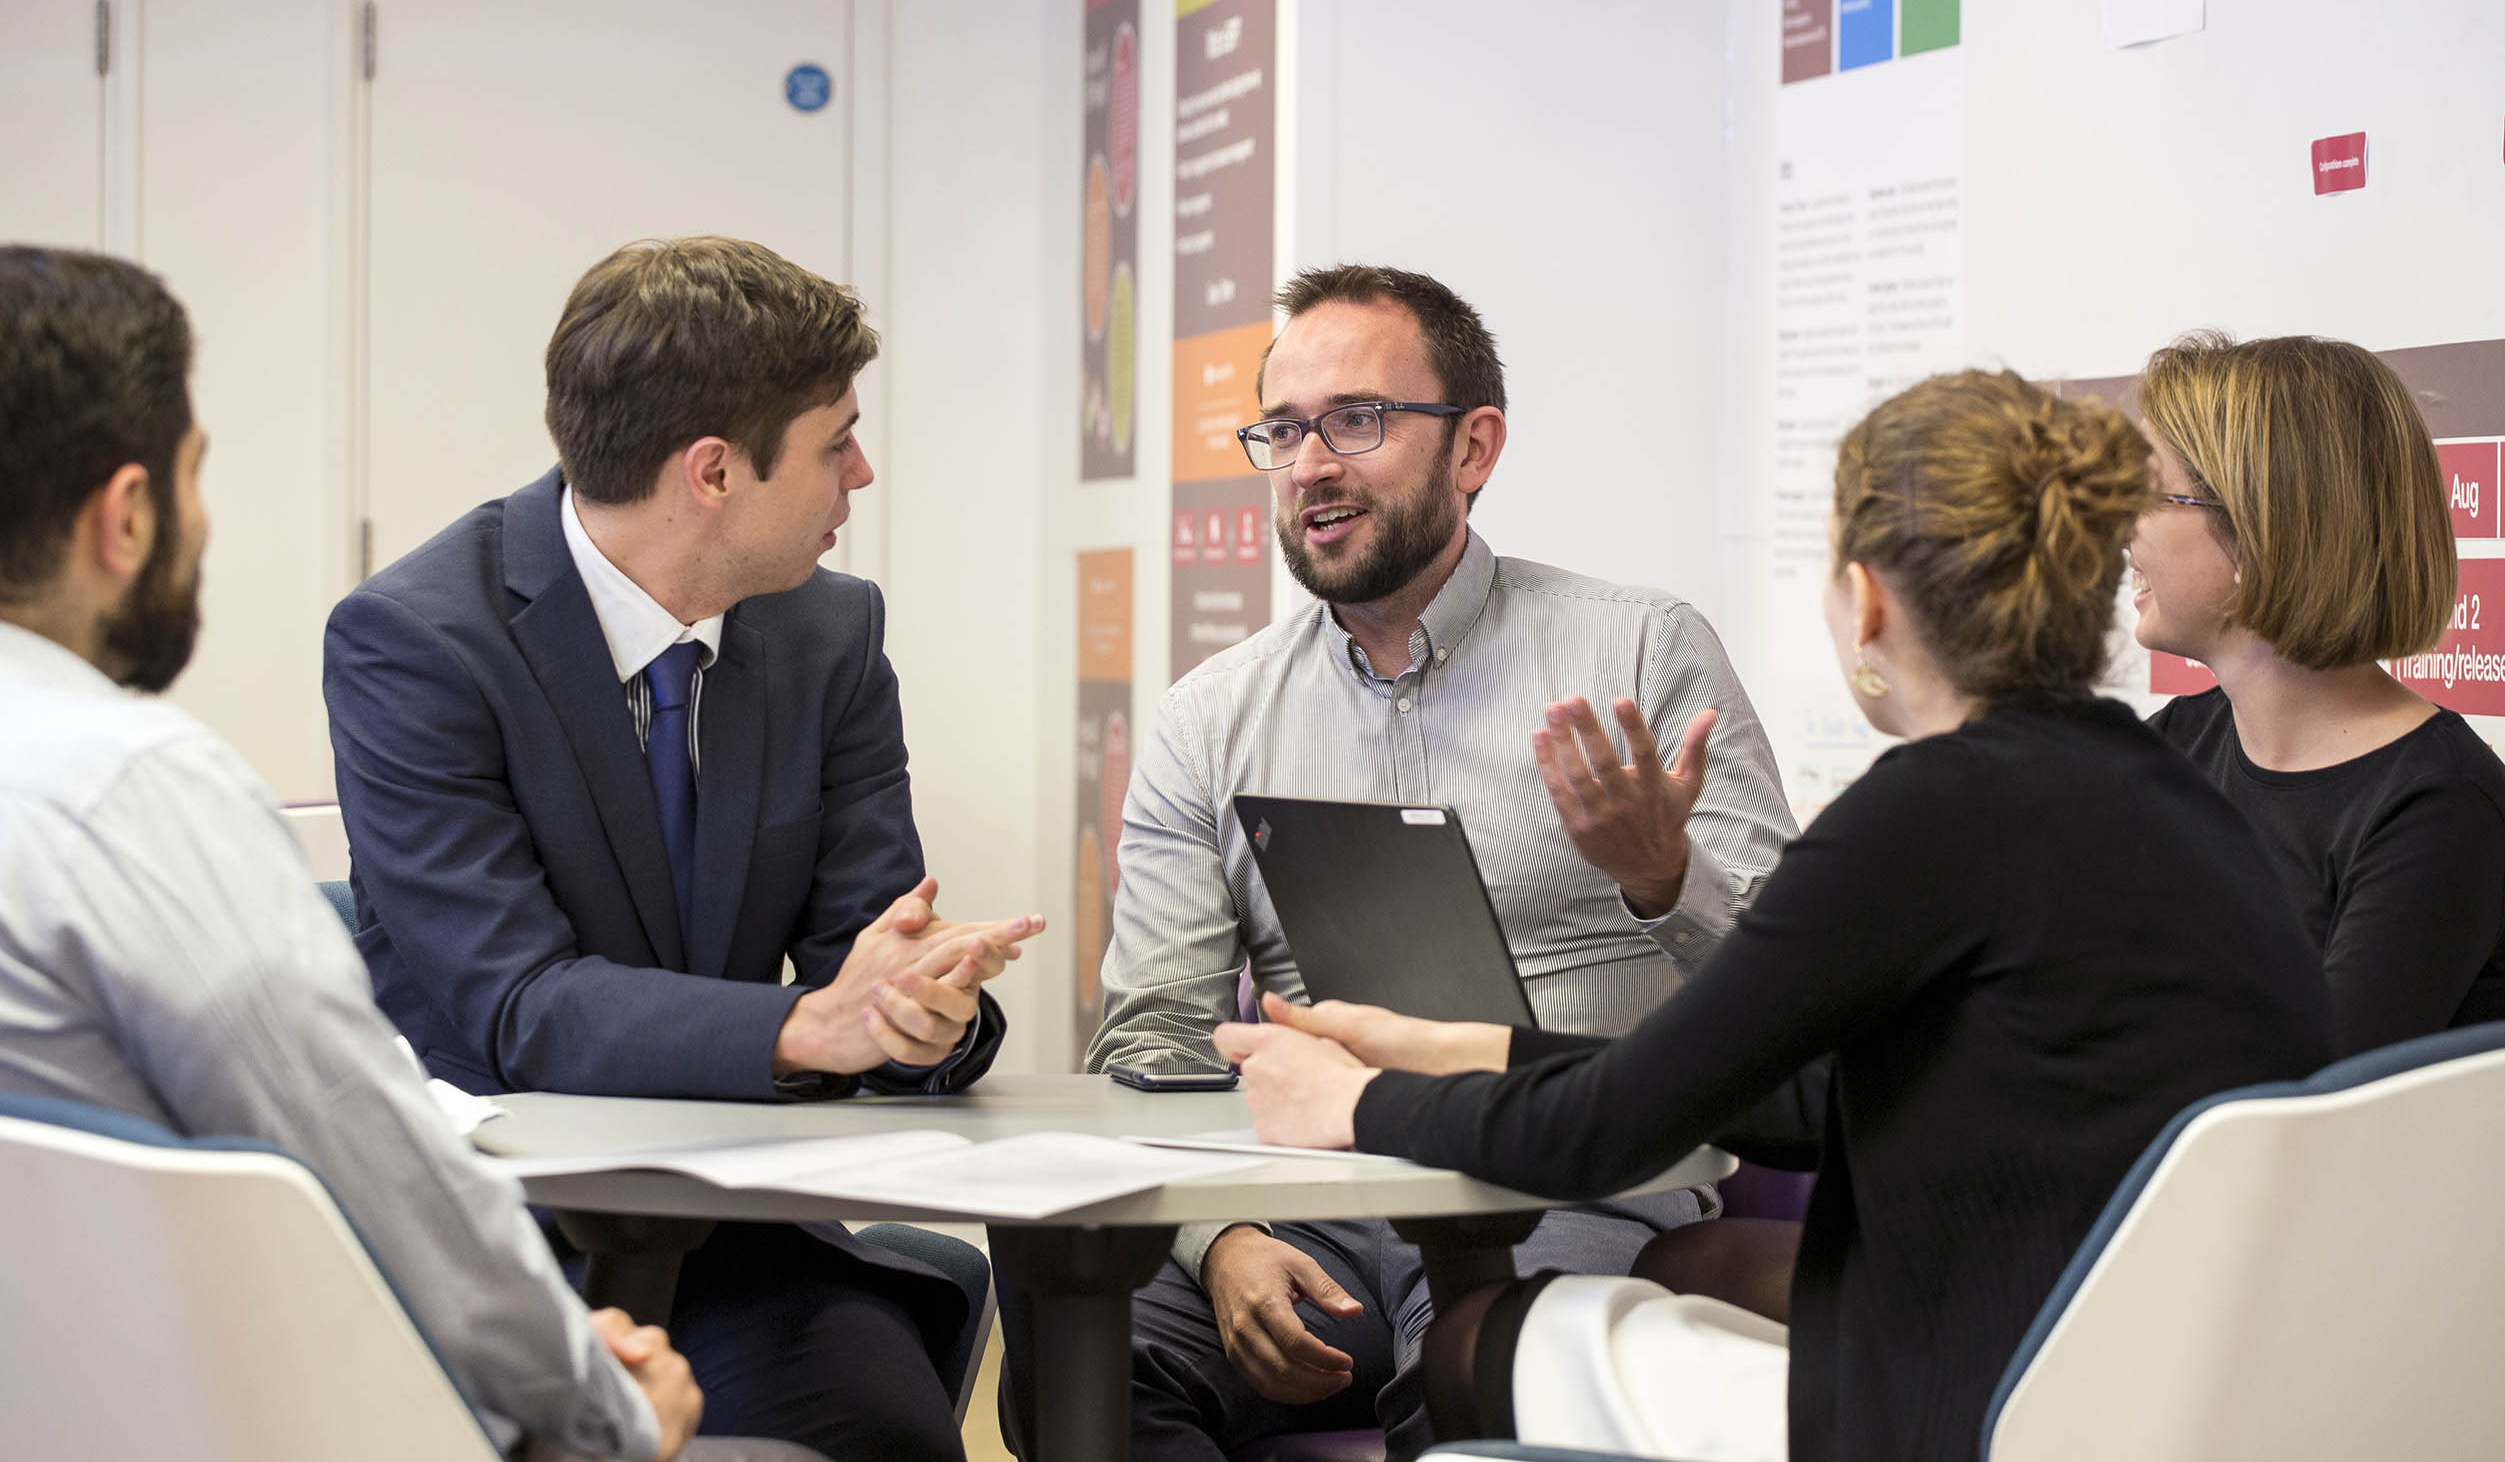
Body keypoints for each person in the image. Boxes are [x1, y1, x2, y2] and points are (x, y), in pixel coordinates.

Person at [1220, 370, 2335, 1462]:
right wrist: (1463, 1048)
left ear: (1869, 599)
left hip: (1959, 1406)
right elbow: (1812, 1097)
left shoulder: (1929, 810)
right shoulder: (2175, 792)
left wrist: (1360, 1101)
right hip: (2151, 1404)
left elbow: (1613, 1132)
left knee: (1470, 1345)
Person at [0, 245, 826, 1462]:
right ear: (126, 515)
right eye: (194, 480)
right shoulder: (127, 790)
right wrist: (607, 1411)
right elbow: (364, 1160)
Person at [324, 237, 1042, 1461]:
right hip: (496, 1247)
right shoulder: (416, 643)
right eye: (836, 441)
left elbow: (870, 945)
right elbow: (518, 1006)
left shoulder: (829, 632)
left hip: (732, 1232)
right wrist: (804, 1027)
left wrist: (928, 1011)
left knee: (890, 1435)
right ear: (713, 471)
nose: (860, 473)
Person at [1074, 264, 1798, 1461]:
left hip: (1564, 1190)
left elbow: (1791, 995)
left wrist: (1664, 878)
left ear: (1474, 448)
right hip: (1306, 1205)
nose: (1310, 464)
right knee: (1089, 1368)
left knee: (1481, 1373)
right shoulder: (1213, 718)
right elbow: (1153, 1038)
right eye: (1284, 431)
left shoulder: (1638, 651)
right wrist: (1220, 1237)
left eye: (1355, 421)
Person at [2132, 332, 2505, 1057]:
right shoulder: (2171, 747)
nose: (2119, 529)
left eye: (2147, 496)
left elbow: (2301, 1097)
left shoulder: (2440, 811)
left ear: (2253, 534)